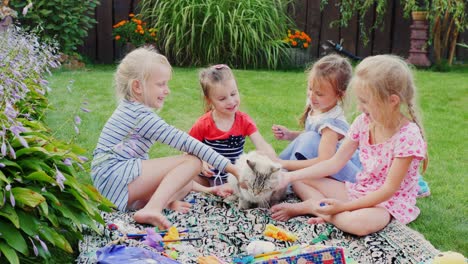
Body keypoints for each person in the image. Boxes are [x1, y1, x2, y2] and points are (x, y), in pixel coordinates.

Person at [271, 55, 428, 236]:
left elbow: (388, 190)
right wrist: (289, 178)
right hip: (361, 189)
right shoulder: (364, 122)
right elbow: (333, 163)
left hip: (388, 202)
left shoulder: (408, 136)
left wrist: (344, 206)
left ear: (392, 101)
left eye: (365, 101)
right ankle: (324, 208)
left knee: (357, 224)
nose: (360, 108)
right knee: (299, 180)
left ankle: (317, 207)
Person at [90, 47, 239, 229]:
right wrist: (233, 169)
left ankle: (158, 204)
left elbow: (172, 175)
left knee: (181, 179)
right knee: (193, 162)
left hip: (113, 182)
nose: (166, 90)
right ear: (137, 86)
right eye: (161, 84)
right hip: (114, 178)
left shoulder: (131, 109)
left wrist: (209, 190)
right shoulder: (140, 116)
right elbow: (187, 143)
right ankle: (152, 208)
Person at [271, 54, 360, 187]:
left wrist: (283, 163)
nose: (311, 96)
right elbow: (311, 136)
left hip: (339, 172)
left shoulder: (331, 125)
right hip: (321, 164)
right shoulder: (319, 107)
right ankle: (281, 175)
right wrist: (290, 135)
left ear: (339, 95)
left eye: (319, 94)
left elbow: (324, 161)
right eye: (310, 89)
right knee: (309, 137)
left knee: (292, 177)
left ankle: (284, 175)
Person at [189, 64, 276, 187]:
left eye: (233, 94)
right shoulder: (203, 124)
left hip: (233, 178)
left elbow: (261, 145)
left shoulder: (244, 121)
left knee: (254, 183)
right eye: (222, 98)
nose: (230, 101)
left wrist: (273, 160)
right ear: (209, 100)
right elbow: (188, 151)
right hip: (206, 178)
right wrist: (201, 162)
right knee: (182, 179)